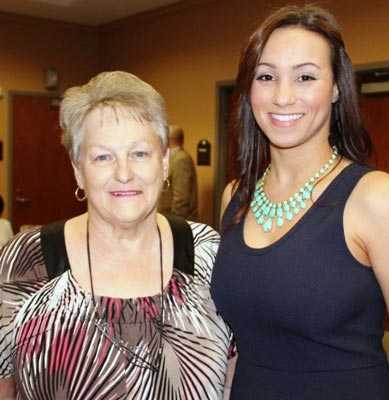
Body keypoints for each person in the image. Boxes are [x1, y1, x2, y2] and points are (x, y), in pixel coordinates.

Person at [0, 71, 232, 400]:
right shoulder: (24, 261)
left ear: (164, 162)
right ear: (78, 170)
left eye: (140, 153)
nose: (124, 173)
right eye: (103, 157)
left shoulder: (208, 253)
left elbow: (234, 377)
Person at [211, 5, 389, 399]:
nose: (282, 96)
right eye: (266, 76)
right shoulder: (236, 197)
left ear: (335, 88)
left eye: (305, 77)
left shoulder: (375, 197)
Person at [158, 125, 198, 220]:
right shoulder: (174, 158)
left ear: (168, 139)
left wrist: (174, 224)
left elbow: (181, 198)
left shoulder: (181, 159)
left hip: (175, 221)